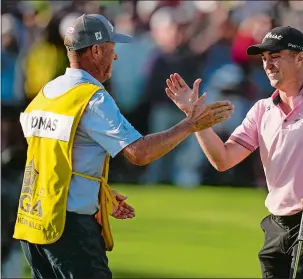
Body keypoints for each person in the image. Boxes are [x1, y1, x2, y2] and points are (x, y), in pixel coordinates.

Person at [14, 14, 233, 278]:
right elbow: (139, 152)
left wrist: (99, 189)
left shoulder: (47, 93)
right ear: (96, 50)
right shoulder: (91, 98)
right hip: (68, 228)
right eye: (111, 49)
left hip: (33, 225)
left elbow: (53, 158)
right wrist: (190, 125)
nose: (114, 57)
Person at [165, 26, 303, 279]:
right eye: (264, 59)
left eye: (275, 56)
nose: (268, 65)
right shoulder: (261, 110)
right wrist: (195, 120)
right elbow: (223, 159)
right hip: (276, 227)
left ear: (300, 58)